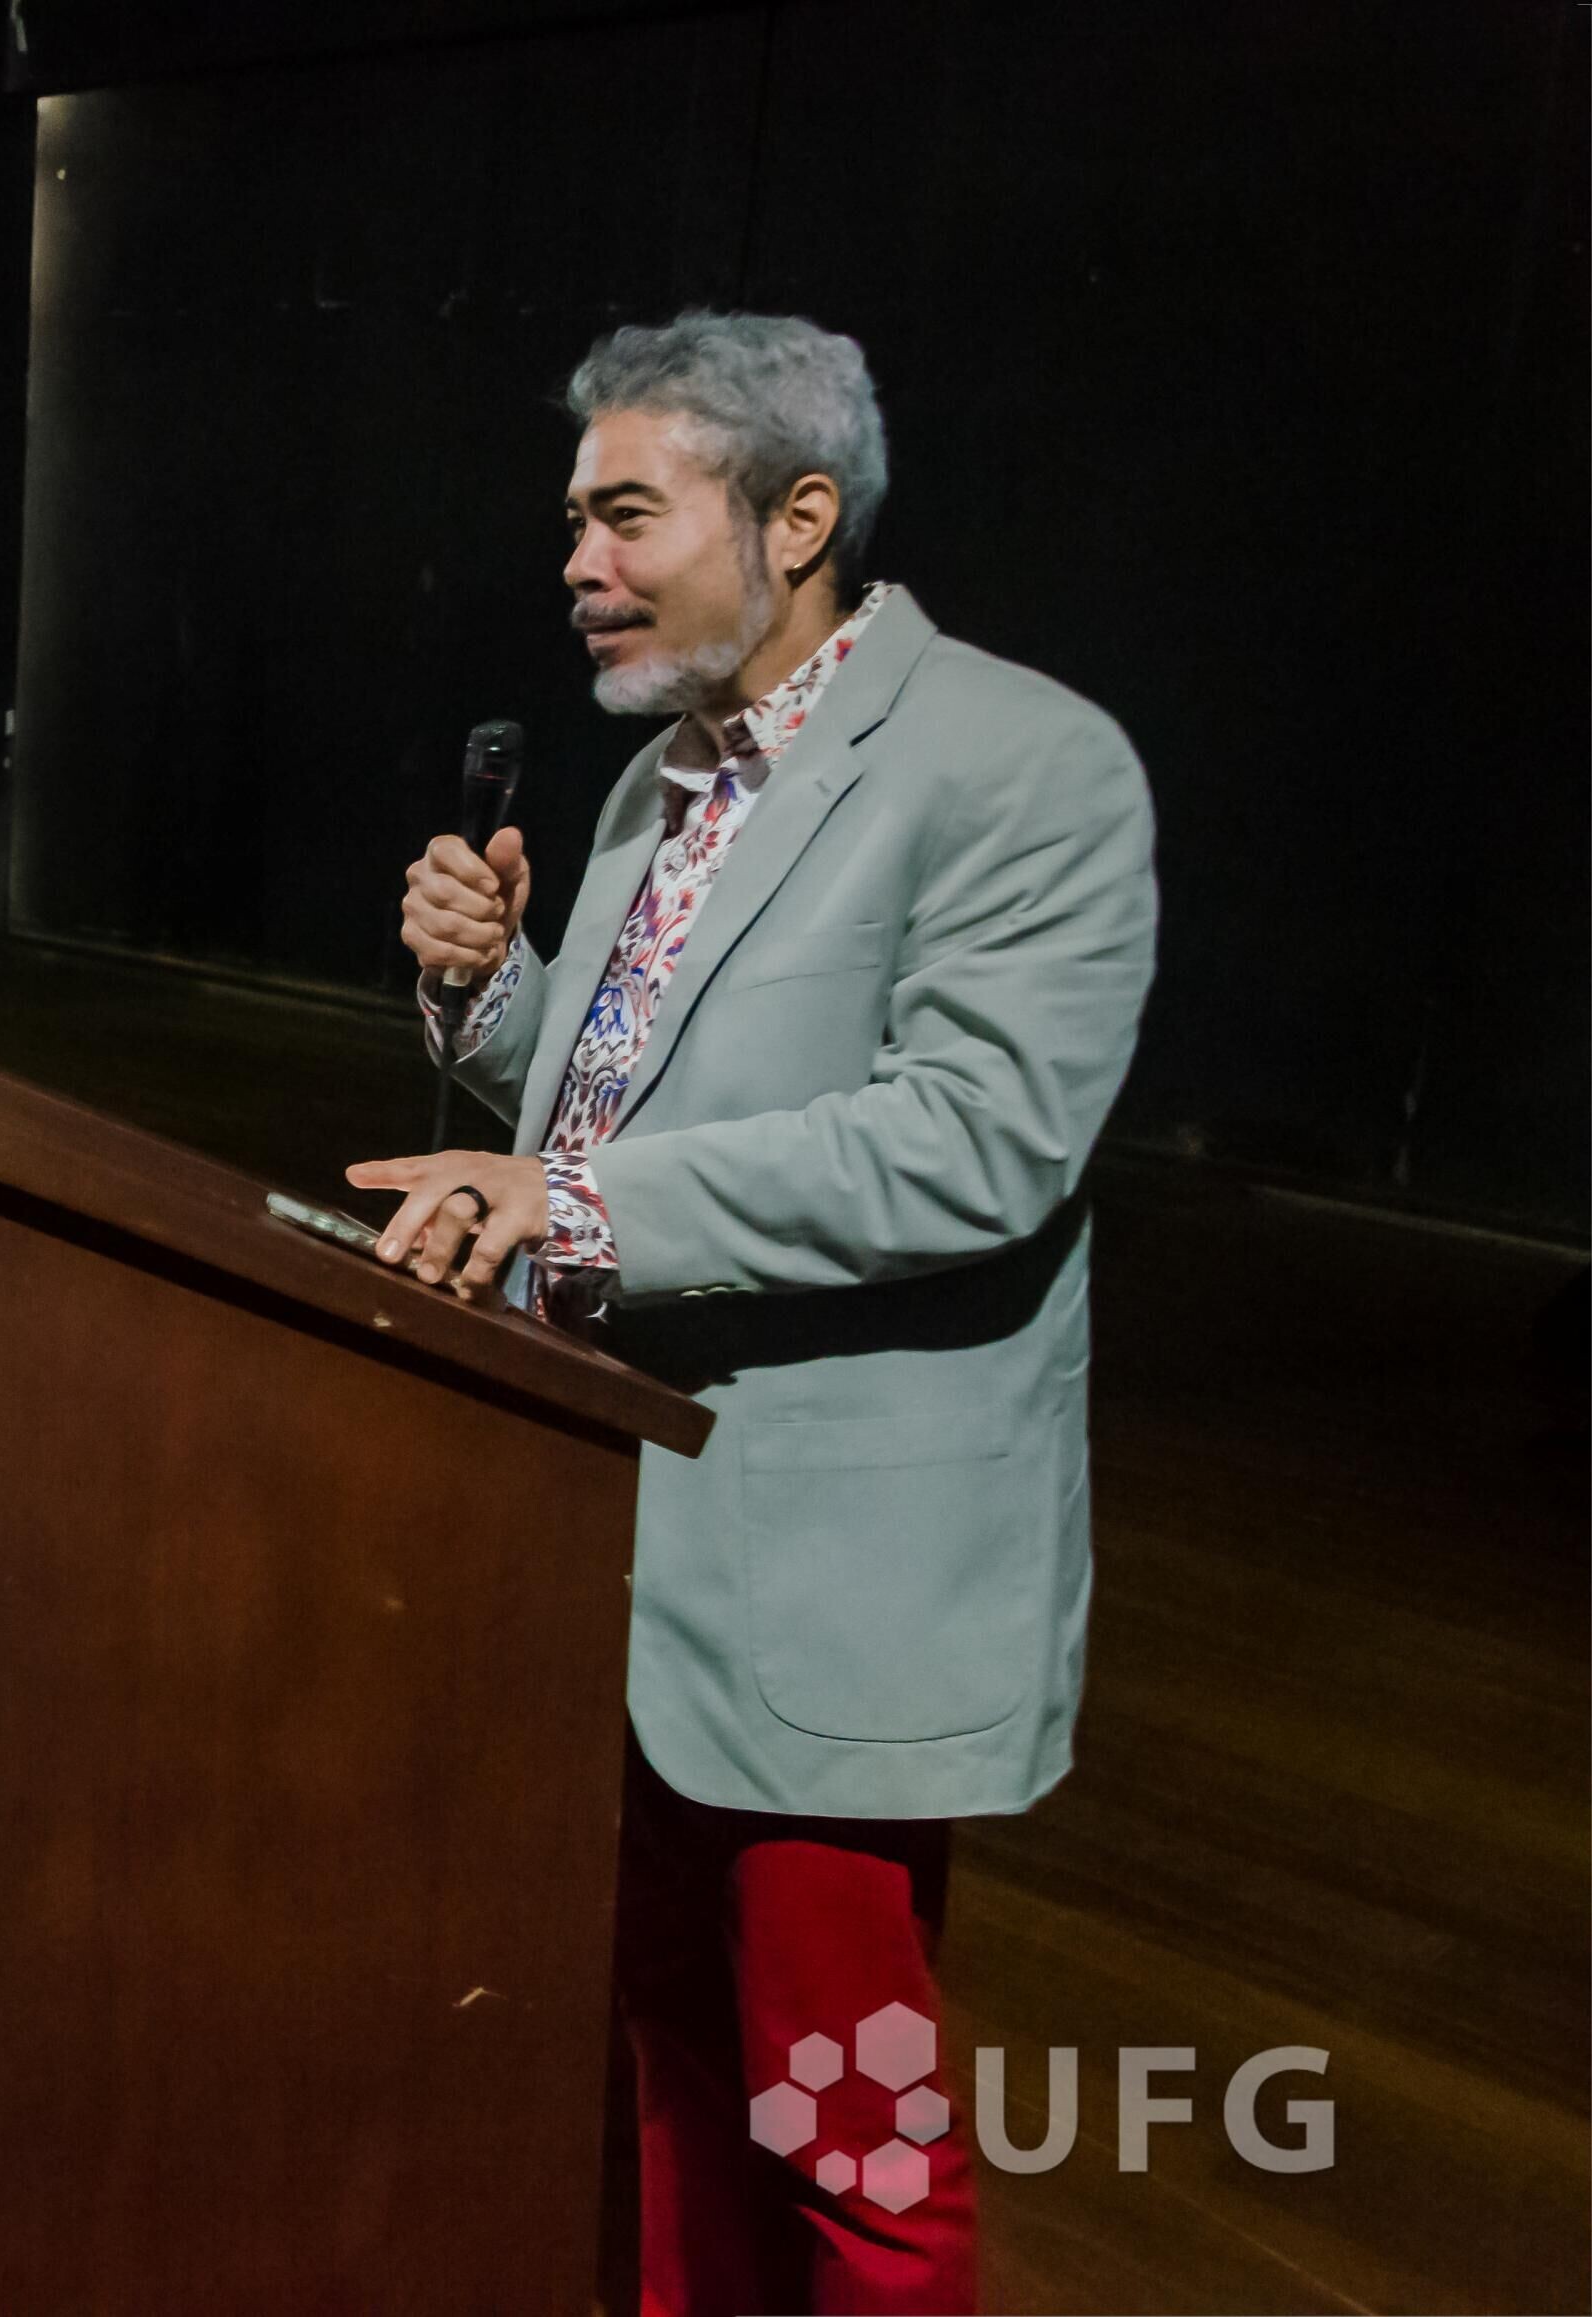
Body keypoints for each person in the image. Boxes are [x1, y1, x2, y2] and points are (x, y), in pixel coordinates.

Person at [347, 313, 1157, 2315]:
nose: (575, 561)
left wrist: (570, 1191)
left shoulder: (1020, 763)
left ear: (799, 516)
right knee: (672, 2081)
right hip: (619, 1569)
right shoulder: (648, 791)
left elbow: (978, 1142)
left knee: (851, 2145)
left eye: (624, 512)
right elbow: (619, 1104)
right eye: (571, 517)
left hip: (823, 1589)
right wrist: (492, 994)